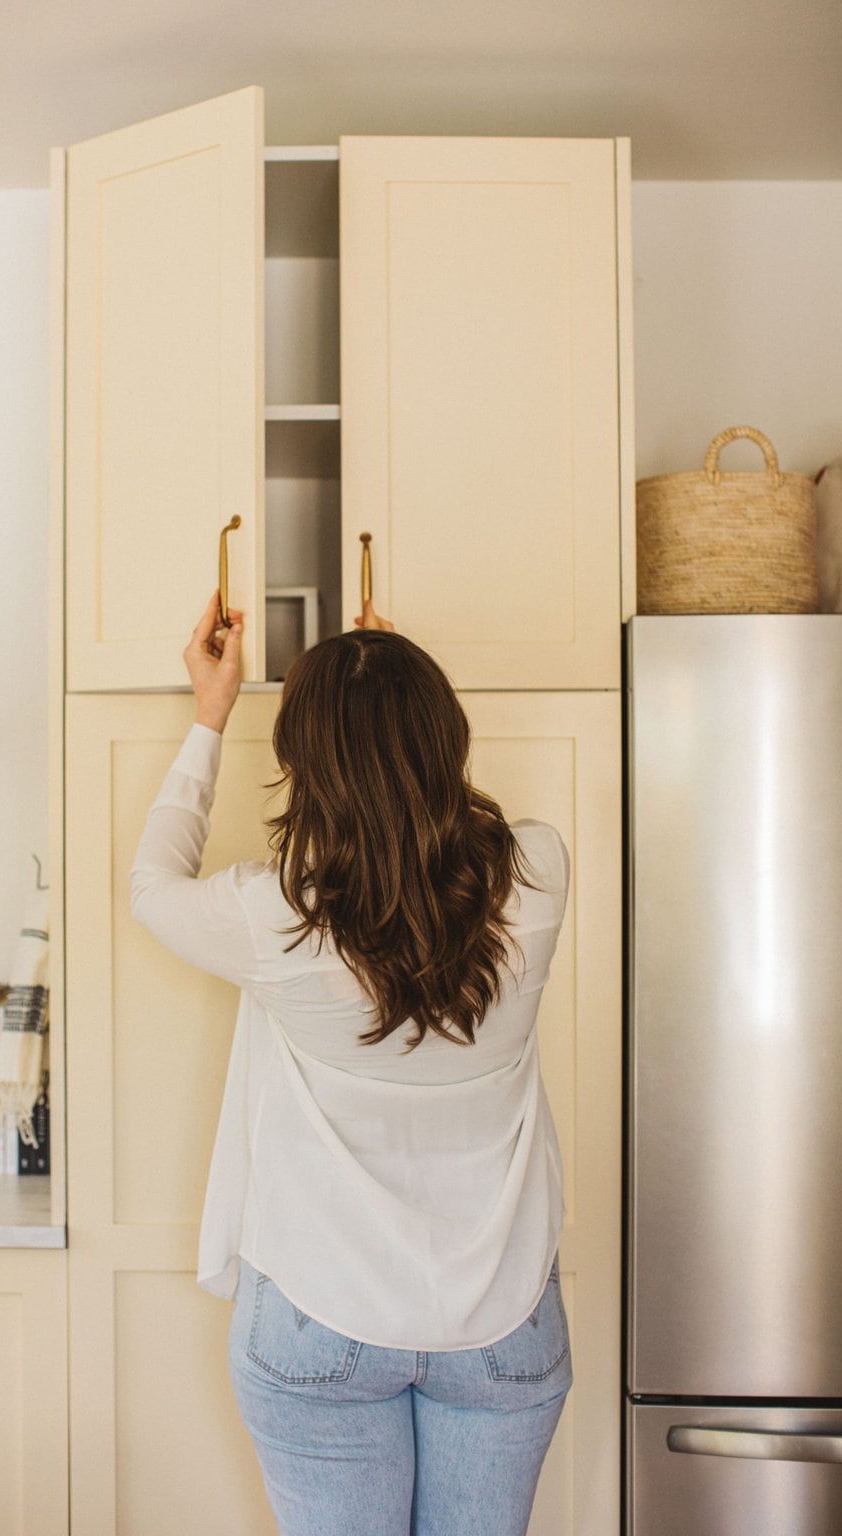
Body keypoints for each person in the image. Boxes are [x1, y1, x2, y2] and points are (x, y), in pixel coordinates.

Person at [130, 590, 572, 1536]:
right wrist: (387, 676)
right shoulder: (538, 874)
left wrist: (211, 713)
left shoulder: (271, 918)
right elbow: (420, 826)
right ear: (445, 735)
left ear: (301, 767)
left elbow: (152, 885)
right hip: (503, 1332)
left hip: (317, 1321)